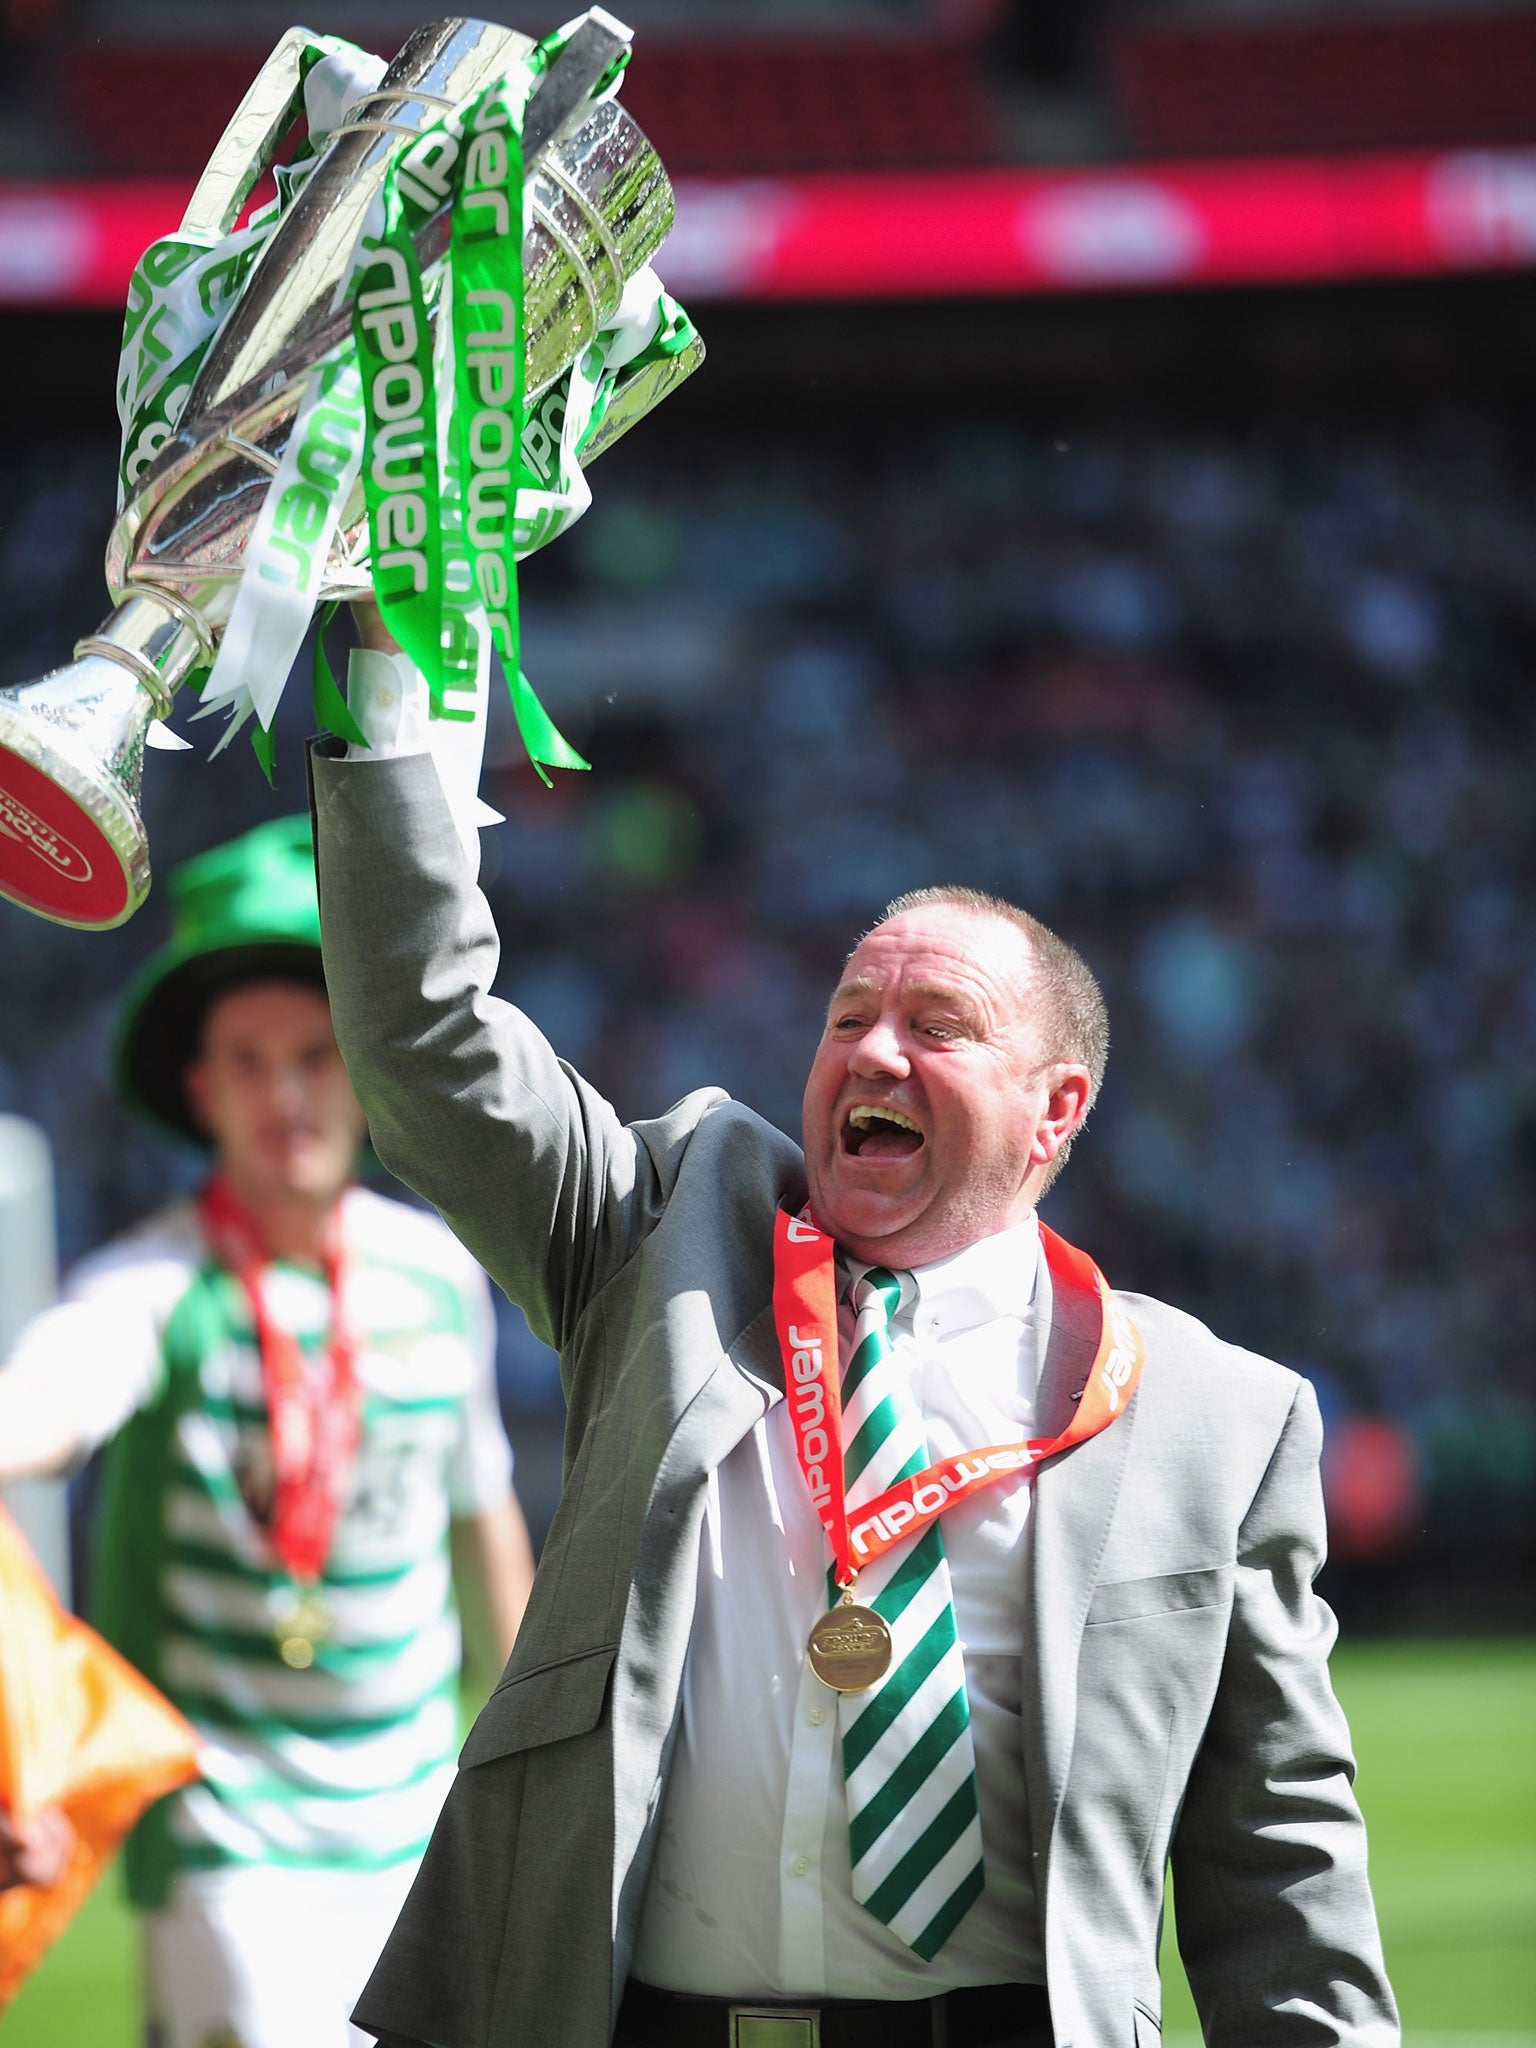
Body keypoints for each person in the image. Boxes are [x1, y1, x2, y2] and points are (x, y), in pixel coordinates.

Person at [307, 623, 1398, 2048]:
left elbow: (1280, 1853)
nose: (872, 1052)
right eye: (847, 1017)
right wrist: (394, 681)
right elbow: (428, 1044)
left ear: (1056, 1110)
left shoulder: (1216, 1418)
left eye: (937, 1024)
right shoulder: (657, 1238)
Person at [0, 814, 538, 2048]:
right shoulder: (154, 1283)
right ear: (201, 1087)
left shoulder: (435, 1275)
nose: (285, 1091)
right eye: (247, 1059)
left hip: (412, 1811)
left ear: (365, 1070)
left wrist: (520, 1767)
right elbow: (48, 1395)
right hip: (225, 1825)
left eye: (314, 1052)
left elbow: (480, 1511)